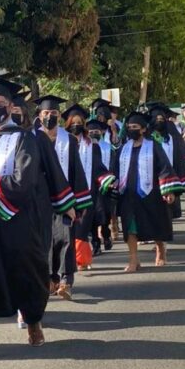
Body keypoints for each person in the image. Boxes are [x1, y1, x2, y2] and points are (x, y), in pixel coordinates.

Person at [0, 78, 71, 358]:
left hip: (15, 218)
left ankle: (32, 320)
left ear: (10, 106)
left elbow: (25, 179)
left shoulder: (24, 139)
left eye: (1, 105)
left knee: (26, 273)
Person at [37, 96, 92, 300]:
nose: (49, 116)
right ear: (39, 115)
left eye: (53, 113)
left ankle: (66, 280)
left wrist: (77, 202)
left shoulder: (68, 140)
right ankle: (50, 279)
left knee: (66, 237)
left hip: (65, 198)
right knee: (45, 240)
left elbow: (77, 170)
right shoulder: (33, 138)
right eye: (45, 113)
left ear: (59, 116)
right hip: (40, 200)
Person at [113, 112, 179, 272]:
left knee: (155, 224)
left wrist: (168, 190)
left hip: (151, 194)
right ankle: (133, 260)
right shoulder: (123, 149)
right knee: (130, 227)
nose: (131, 130)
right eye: (128, 127)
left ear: (143, 129)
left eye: (134, 127)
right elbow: (114, 169)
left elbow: (164, 167)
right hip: (128, 195)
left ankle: (160, 249)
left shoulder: (153, 146)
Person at [61, 104, 115, 275]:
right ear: (68, 123)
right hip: (63, 193)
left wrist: (107, 180)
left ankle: (81, 260)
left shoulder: (92, 145)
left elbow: (98, 168)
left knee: (82, 229)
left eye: (79, 122)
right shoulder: (60, 142)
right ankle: (63, 262)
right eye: (73, 122)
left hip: (86, 193)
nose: (76, 125)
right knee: (64, 230)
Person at [147, 103, 185, 220]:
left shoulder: (171, 136)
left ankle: (165, 228)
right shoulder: (146, 138)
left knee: (167, 206)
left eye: (161, 119)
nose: (159, 121)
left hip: (169, 175)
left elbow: (180, 152)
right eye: (156, 119)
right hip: (150, 177)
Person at [87, 119, 115, 255]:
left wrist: (111, 179)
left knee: (105, 214)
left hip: (106, 185)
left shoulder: (108, 147)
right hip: (90, 185)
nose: (93, 134)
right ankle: (95, 243)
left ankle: (106, 233)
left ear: (102, 132)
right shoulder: (84, 147)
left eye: (96, 132)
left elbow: (113, 164)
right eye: (90, 132)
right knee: (92, 215)